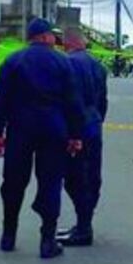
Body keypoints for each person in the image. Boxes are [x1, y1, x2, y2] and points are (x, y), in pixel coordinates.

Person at [0, 18, 84, 259]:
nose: (54, 39)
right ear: (43, 36)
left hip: (20, 130)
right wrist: (75, 134)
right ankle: (47, 241)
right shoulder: (62, 62)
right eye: (52, 35)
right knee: (51, 183)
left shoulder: (12, 61)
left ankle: (8, 235)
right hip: (54, 130)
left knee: (12, 183)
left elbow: (0, 99)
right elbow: (73, 101)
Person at [57, 28, 109, 247]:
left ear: (67, 44)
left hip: (76, 128)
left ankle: (83, 228)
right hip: (93, 125)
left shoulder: (68, 64)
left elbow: (69, 100)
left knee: (74, 178)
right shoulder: (98, 65)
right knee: (92, 176)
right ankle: (83, 224)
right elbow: (102, 100)